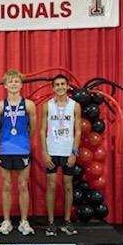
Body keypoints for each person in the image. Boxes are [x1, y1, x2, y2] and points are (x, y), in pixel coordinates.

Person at [0, 69, 36, 235]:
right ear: (5, 85)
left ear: (21, 84)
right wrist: (7, 141)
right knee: (6, 186)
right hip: (5, 149)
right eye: (10, 81)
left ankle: (24, 222)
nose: (13, 84)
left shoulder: (29, 105)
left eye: (16, 81)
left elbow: (32, 128)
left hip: (23, 148)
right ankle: (6, 221)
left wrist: (22, 140)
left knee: (23, 185)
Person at [40, 74, 81, 236]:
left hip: (67, 151)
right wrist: (44, 152)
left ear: (67, 86)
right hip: (52, 151)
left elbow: (77, 131)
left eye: (63, 84)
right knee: (50, 186)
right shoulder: (47, 106)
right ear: (53, 87)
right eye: (57, 84)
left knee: (68, 187)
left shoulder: (75, 106)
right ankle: (51, 223)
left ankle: (67, 221)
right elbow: (42, 130)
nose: (60, 87)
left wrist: (74, 153)